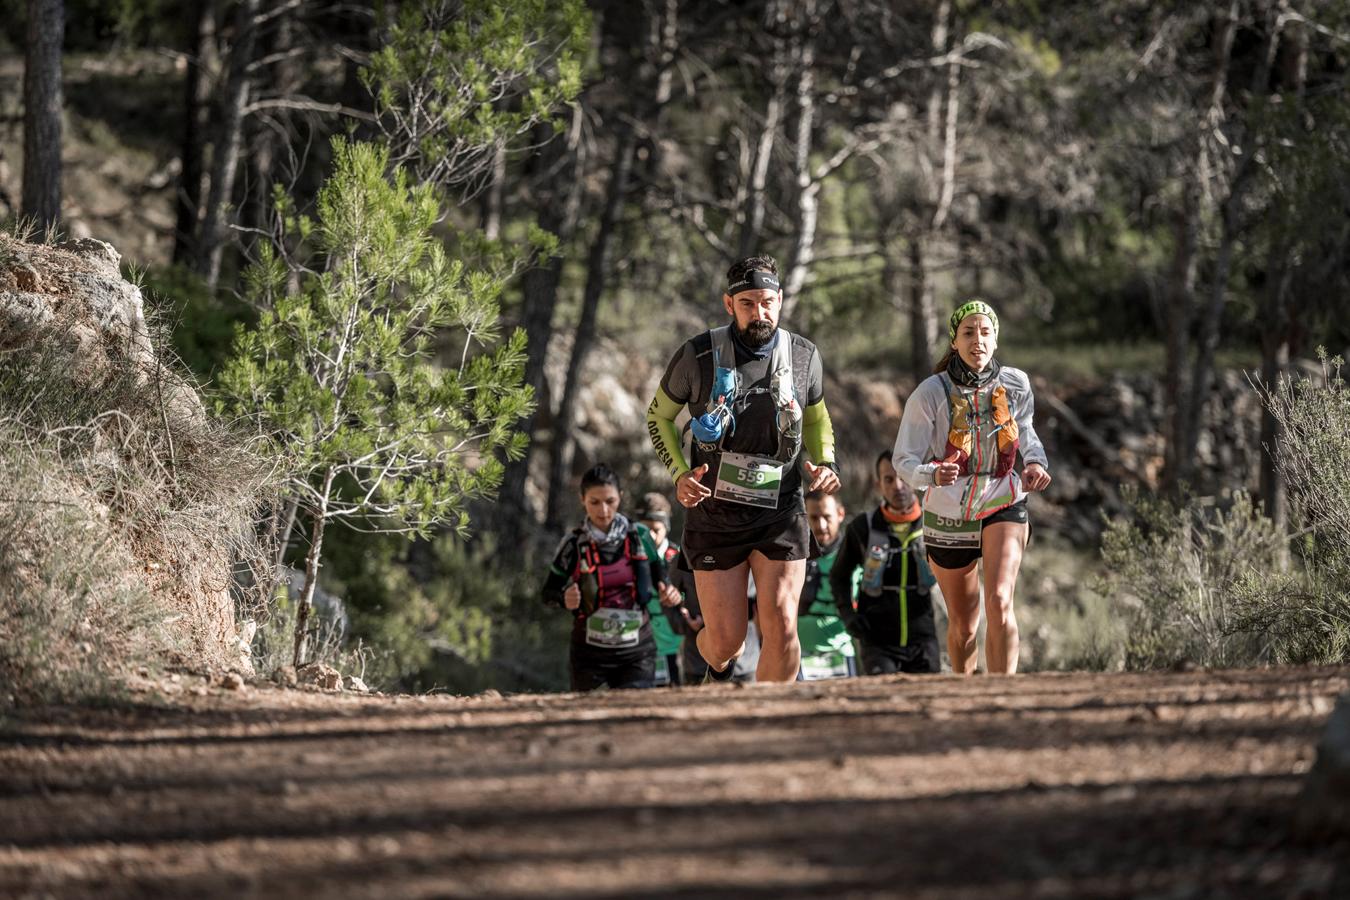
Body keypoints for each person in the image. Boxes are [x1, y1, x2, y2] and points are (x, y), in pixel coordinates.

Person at [646, 254, 841, 683]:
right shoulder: (697, 355)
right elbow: (658, 417)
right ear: (728, 304)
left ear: (781, 299)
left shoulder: (805, 355)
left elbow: (815, 417)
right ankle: (715, 672)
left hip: (781, 511)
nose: (760, 312)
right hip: (715, 514)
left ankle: (771, 722)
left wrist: (825, 461)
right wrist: (680, 475)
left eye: (767, 302)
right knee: (726, 644)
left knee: (783, 626)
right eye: (748, 303)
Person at [892, 300, 1052, 675]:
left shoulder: (1016, 383)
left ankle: (1003, 696)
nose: (977, 340)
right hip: (948, 510)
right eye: (968, 332)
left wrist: (1035, 464)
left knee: (999, 600)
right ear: (954, 341)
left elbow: (1026, 433)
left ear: (995, 340)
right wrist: (932, 475)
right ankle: (963, 694)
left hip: (1003, 499)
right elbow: (904, 461)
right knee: (964, 628)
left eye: (985, 332)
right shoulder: (930, 392)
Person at [541, 464, 681, 691]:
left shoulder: (640, 535)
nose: (603, 510)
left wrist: (667, 589)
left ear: (620, 498)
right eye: (594, 502)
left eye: (610, 501)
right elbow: (548, 593)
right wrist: (562, 598)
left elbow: (659, 573)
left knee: (635, 717)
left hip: (637, 653)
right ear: (582, 499)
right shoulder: (573, 544)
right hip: (589, 656)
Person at [830, 451, 941, 675]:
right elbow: (838, 576)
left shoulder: (935, 523)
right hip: (877, 642)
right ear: (878, 484)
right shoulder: (862, 528)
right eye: (889, 479)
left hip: (923, 639)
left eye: (903, 478)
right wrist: (849, 616)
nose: (898, 486)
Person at [797, 491, 858, 679]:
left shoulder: (855, 556)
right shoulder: (791, 555)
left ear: (840, 514)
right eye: (813, 518)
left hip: (841, 651)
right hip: (796, 652)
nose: (821, 525)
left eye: (827, 517)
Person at [635, 491, 686, 687]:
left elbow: (695, 594)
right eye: (645, 530)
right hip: (639, 646)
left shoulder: (679, 557)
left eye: (656, 529)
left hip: (674, 646)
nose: (651, 536)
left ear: (666, 527)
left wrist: (678, 597)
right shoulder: (630, 557)